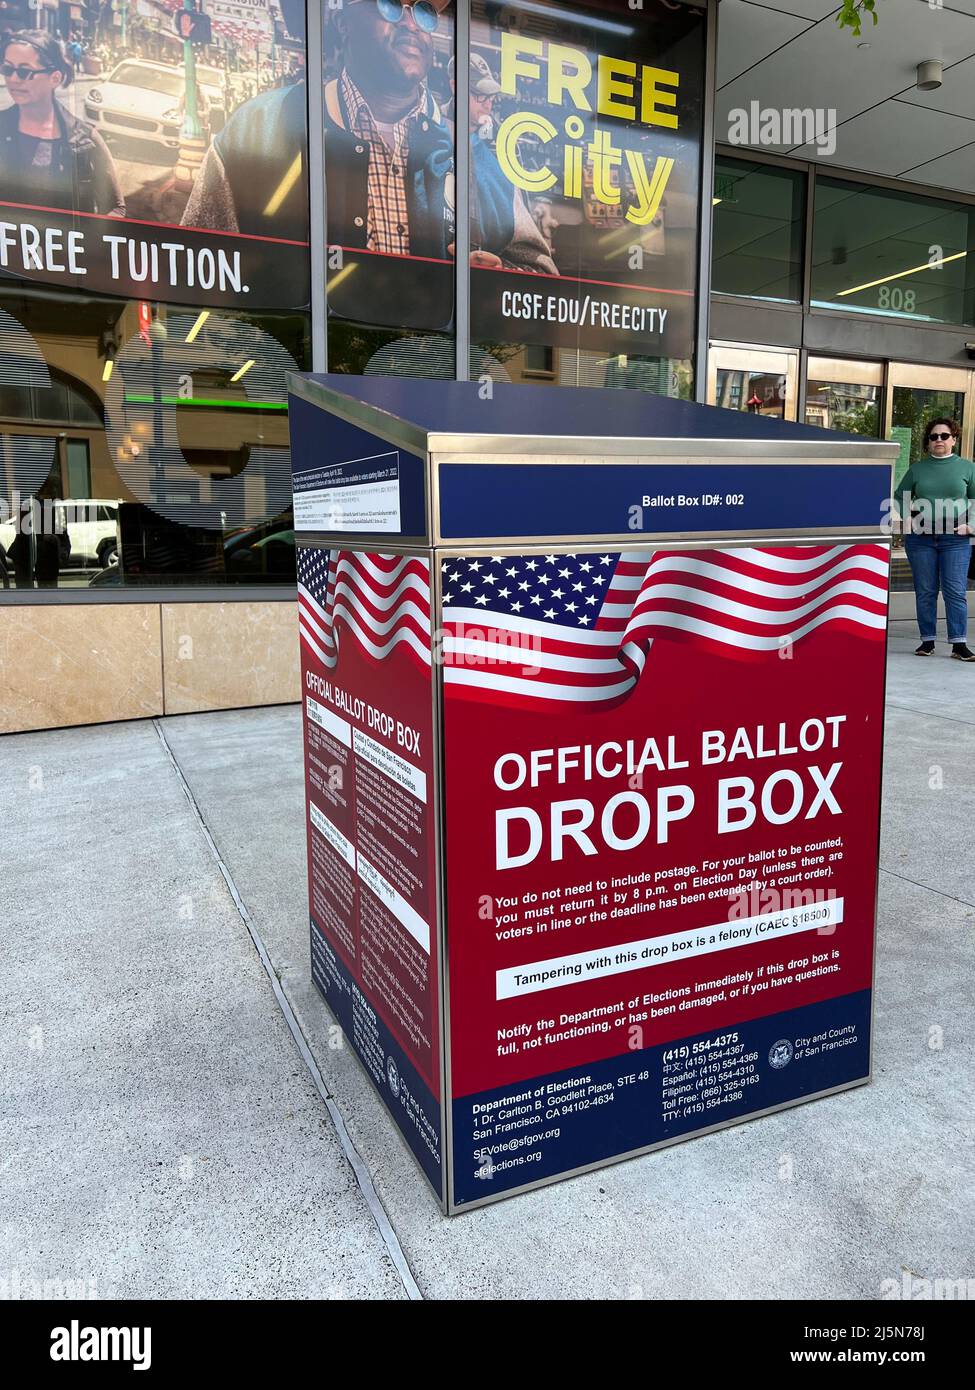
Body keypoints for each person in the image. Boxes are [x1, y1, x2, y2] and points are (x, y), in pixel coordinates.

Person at [449, 51, 557, 275]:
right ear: (454, 86)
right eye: (480, 95)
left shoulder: (501, 145)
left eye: (491, 96)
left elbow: (529, 247)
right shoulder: (428, 128)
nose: (488, 104)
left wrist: (502, 266)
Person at [0, 30, 124, 217]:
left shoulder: (85, 139)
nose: (13, 79)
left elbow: (115, 208)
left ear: (55, 78)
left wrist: (88, 241)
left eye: (25, 72)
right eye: (8, 69)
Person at [897, 416, 975, 661]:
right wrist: (907, 517)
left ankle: (958, 644)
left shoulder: (967, 468)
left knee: (955, 591)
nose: (938, 440)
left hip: (956, 539)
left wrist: (971, 525)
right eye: (933, 437)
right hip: (921, 539)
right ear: (928, 442)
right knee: (926, 591)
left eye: (944, 436)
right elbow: (900, 495)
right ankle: (927, 641)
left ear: (954, 439)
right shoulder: (917, 469)